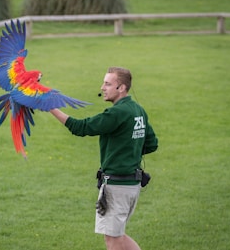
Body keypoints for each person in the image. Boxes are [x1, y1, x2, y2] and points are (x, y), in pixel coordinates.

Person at [49, 66, 158, 250]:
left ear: (121, 88)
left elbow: (80, 127)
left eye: (108, 84)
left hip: (117, 188)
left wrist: (49, 107)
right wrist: (128, 150)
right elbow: (151, 143)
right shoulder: (138, 110)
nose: (102, 87)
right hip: (131, 186)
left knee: (112, 240)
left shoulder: (117, 113)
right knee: (118, 236)